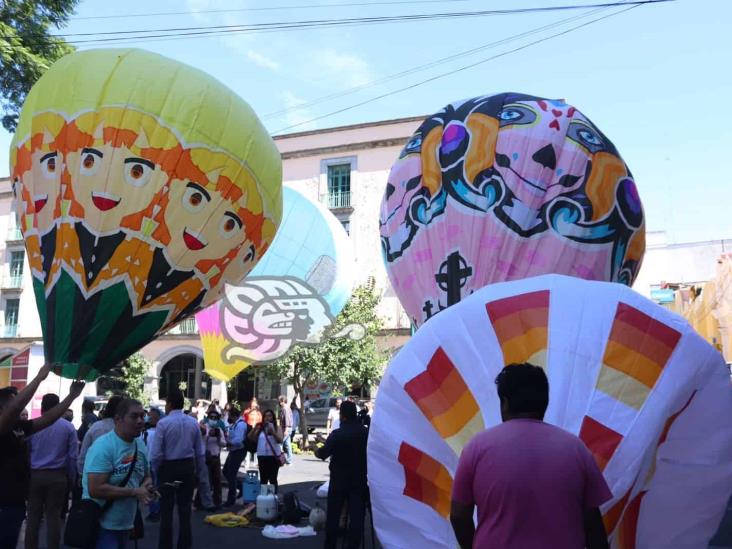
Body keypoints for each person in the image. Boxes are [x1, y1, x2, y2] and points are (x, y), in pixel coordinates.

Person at [450, 363, 612, 549]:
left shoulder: (476, 448)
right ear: (544, 402)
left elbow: (459, 515)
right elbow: (592, 524)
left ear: (505, 402)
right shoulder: (576, 449)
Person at [0, 364, 85, 549]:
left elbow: (48, 419)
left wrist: (72, 396)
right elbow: (16, 407)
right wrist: (39, 378)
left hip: (15, 500)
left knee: (29, 524)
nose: (20, 405)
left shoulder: (18, 427)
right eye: (14, 402)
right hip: (4, 504)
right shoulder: (2, 428)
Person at [83, 398, 153, 549]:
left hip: (127, 523)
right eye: (134, 416)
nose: (141, 421)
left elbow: (145, 476)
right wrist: (135, 492)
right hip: (101, 524)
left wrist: (147, 487)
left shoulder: (139, 444)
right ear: (118, 420)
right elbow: (95, 489)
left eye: (143, 415)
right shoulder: (103, 446)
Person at [150, 390, 206, 549]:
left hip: (169, 468)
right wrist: (199, 472)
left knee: (166, 511)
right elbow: (200, 451)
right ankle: (184, 545)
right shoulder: (193, 422)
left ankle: (165, 546)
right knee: (185, 509)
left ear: (169, 404)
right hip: (187, 468)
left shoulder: (163, 423)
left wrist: (156, 471)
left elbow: (156, 454)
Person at [26, 393, 80, 549]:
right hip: (57, 476)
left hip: (35, 475)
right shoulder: (68, 427)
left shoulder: (33, 425)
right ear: (59, 407)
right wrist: (71, 477)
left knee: (33, 518)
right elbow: (72, 457)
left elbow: (27, 451)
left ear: (43, 406)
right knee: (54, 517)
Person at [316, 400, 368, 549]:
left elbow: (323, 453)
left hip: (339, 481)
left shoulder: (337, 434)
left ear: (342, 416)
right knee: (357, 517)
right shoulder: (365, 433)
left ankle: (330, 545)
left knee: (333, 516)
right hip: (358, 480)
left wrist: (316, 449)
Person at [78, 395, 124, 476]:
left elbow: (84, 454)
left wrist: (81, 473)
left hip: (94, 474)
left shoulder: (96, 426)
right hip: (120, 474)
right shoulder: (126, 429)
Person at [247, 409, 284, 492]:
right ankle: (263, 498)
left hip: (273, 457)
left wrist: (273, 432)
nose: (267, 418)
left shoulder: (277, 428)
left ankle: (273, 497)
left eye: (269, 416)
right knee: (263, 479)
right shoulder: (261, 428)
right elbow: (250, 438)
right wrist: (255, 428)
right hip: (262, 456)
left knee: (272, 479)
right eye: (266, 416)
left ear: (273, 417)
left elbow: (280, 440)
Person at [222, 406, 248, 507]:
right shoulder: (235, 424)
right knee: (226, 471)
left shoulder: (241, 425)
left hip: (238, 451)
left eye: (230, 416)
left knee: (231, 474)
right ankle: (241, 487)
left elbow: (238, 440)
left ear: (234, 416)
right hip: (234, 450)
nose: (229, 418)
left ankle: (231, 499)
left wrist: (228, 442)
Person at [200, 410, 226, 507]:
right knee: (205, 481)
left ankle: (217, 502)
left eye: (215, 418)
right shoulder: (204, 428)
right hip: (206, 457)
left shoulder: (219, 430)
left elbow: (224, 444)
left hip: (216, 457)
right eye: (211, 417)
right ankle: (201, 502)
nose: (213, 419)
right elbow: (201, 441)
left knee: (217, 481)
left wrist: (218, 437)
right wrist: (208, 435)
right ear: (208, 418)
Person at [143, 407, 162, 522]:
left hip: (151, 463)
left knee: (152, 488)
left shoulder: (147, 433)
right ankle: (156, 510)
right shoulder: (157, 433)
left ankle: (155, 511)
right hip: (155, 463)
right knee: (155, 487)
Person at [243, 398, 261, 469]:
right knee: (248, 446)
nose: (254, 407)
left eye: (255, 405)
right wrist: (251, 410)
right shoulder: (247, 411)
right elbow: (244, 416)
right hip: (248, 430)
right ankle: (246, 463)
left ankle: (255, 463)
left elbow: (260, 421)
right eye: (252, 405)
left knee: (256, 447)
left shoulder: (258, 413)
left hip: (256, 431)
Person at [278, 395, 294, 465]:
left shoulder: (285, 409)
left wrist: (286, 429)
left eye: (280, 401)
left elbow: (287, 419)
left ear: (283, 401)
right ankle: (289, 460)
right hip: (287, 428)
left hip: (286, 428)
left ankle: (279, 459)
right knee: (288, 444)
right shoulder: (286, 408)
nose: (279, 403)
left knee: (280, 443)